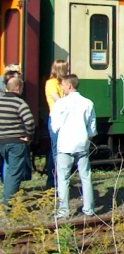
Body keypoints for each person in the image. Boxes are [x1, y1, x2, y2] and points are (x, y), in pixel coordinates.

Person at [51, 74, 96, 219]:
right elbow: (92, 128)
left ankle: (64, 210)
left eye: (63, 85)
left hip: (65, 145)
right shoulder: (88, 103)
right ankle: (88, 209)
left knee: (63, 178)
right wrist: (86, 136)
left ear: (69, 86)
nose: (62, 87)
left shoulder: (61, 104)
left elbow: (55, 126)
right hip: (82, 144)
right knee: (85, 176)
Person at [0, 76, 34, 206]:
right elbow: (29, 121)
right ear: (18, 88)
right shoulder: (20, 103)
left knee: (7, 169)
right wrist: (29, 136)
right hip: (16, 142)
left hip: (1, 141)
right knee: (14, 174)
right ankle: (8, 206)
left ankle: (7, 198)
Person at [44, 60, 69, 189]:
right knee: (56, 150)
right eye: (66, 68)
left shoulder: (63, 83)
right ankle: (54, 181)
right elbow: (58, 100)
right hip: (56, 119)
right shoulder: (51, 83)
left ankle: (57, 180)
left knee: (61, 150)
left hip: (65, 119)